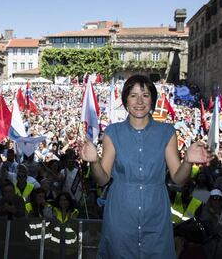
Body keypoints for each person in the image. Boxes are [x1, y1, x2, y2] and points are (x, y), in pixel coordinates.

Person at [80, 75, 211, 258]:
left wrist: (188, 161)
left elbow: (178, 179)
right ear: (125, 100)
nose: (139, 101)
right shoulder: (112, 132)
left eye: (145, 95)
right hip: (120, 214)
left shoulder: (167, 132)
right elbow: (102, 179)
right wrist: (94, 161)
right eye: (133, 95)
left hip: (156, 215)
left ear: (153, 100)